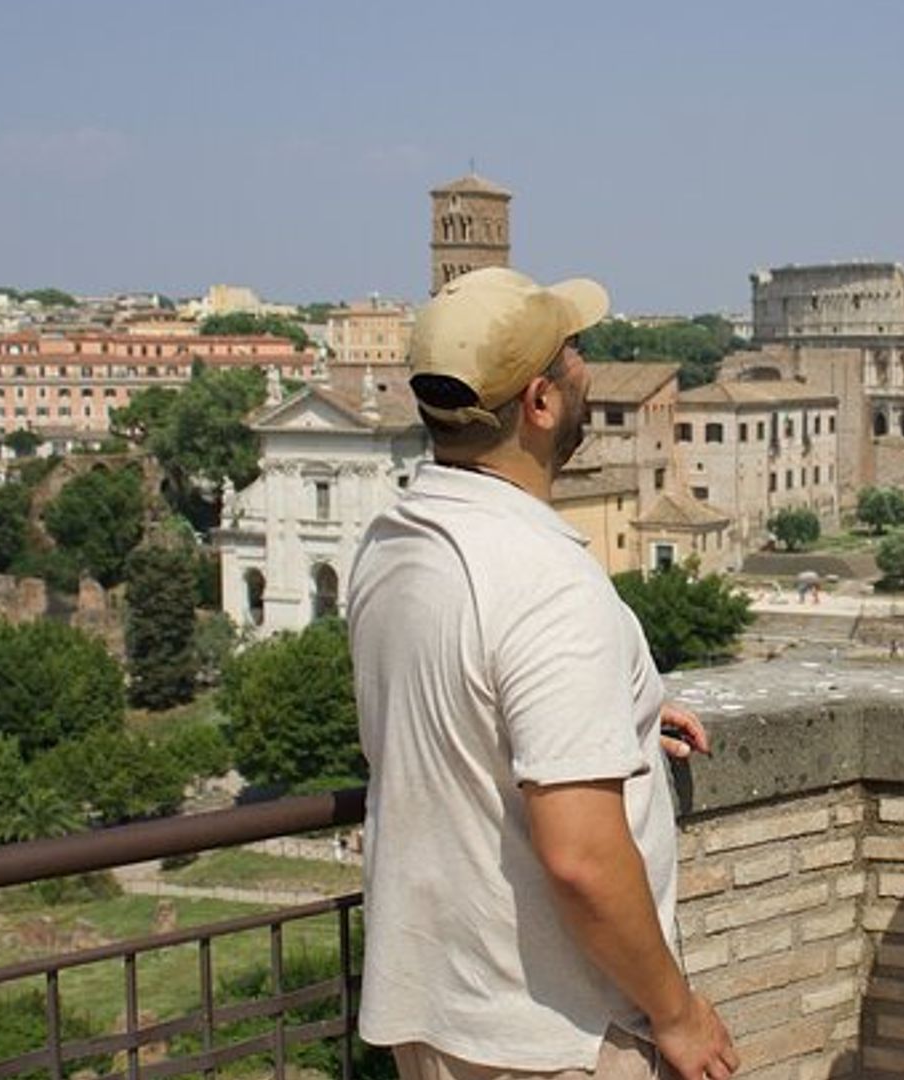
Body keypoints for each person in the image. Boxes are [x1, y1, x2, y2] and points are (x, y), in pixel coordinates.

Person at [348, 268, 738, 1080]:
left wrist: (615, 713)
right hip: (552, 1038)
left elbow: (461, 702)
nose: (586, 367)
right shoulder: (547, 584)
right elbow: (581, 858)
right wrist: (679, 1014)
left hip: (436, 1013)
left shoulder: (393, 543)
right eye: (574, 355)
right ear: (539, 402)